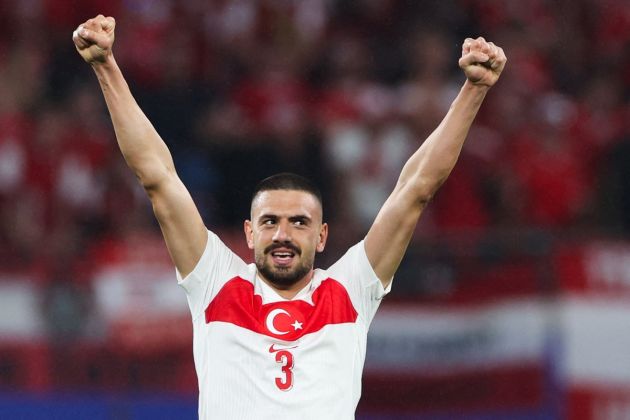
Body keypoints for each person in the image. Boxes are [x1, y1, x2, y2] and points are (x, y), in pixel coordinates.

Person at [72, 14, 506, 420]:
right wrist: (105, 66)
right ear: (248, 233)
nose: (283, 234)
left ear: (322, 236)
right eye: (269, 222)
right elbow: (157, 177)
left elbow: (416, 189)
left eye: (299, 222)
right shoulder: (215, 282)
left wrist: (474, 90)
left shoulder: (351, 290)